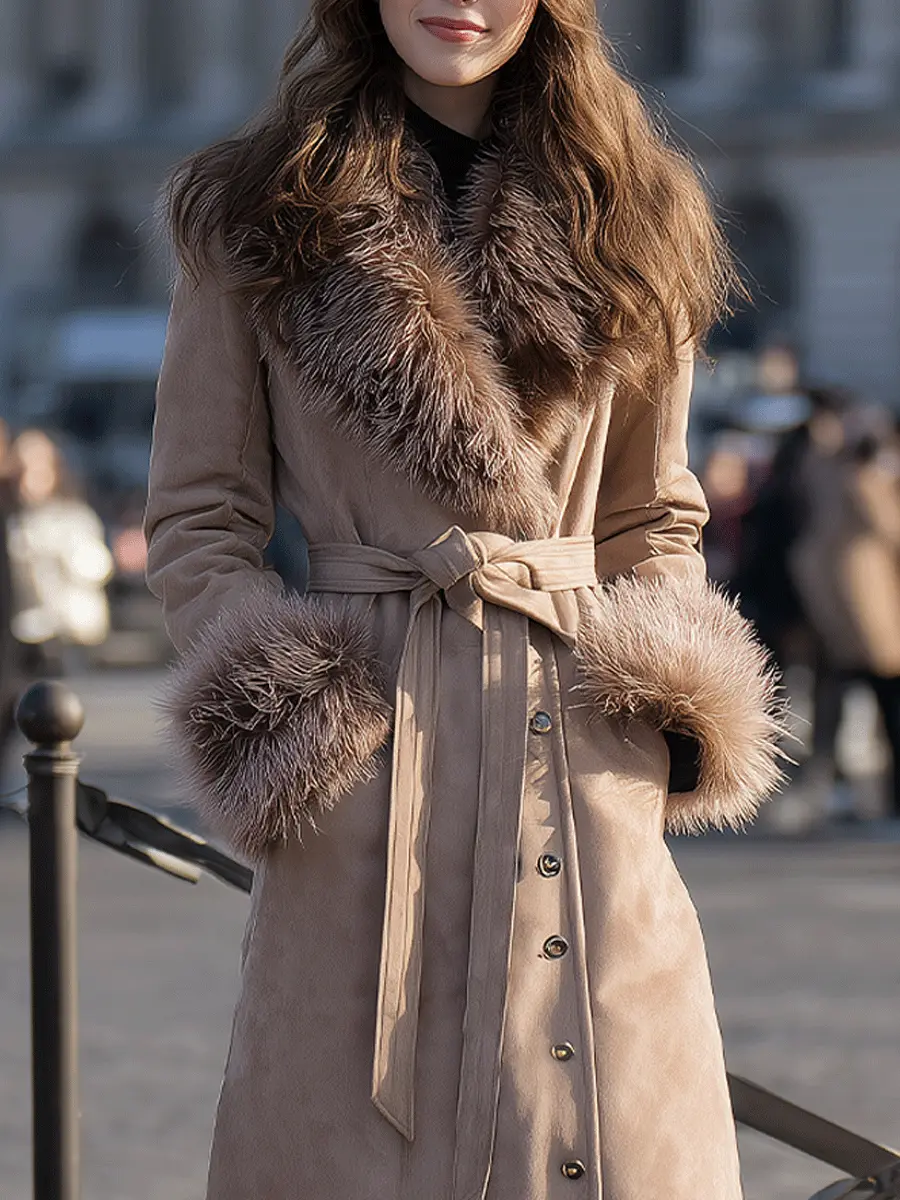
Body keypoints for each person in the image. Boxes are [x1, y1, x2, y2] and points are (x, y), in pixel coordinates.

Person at [143, 3, 783, 1198]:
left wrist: (655, 715)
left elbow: (655, 514)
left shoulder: (636, 206)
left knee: (597, 1129)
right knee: (350, 1145)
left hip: (576, 741)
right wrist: (295, 712)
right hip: (369, 747)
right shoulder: (250, 209)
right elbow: (197, 515)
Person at [5, 428, 114, 673]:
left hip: (72, 634)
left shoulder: (74, 518)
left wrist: (61, 553)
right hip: (28, 632)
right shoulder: (15, 522)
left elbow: (96, 567)